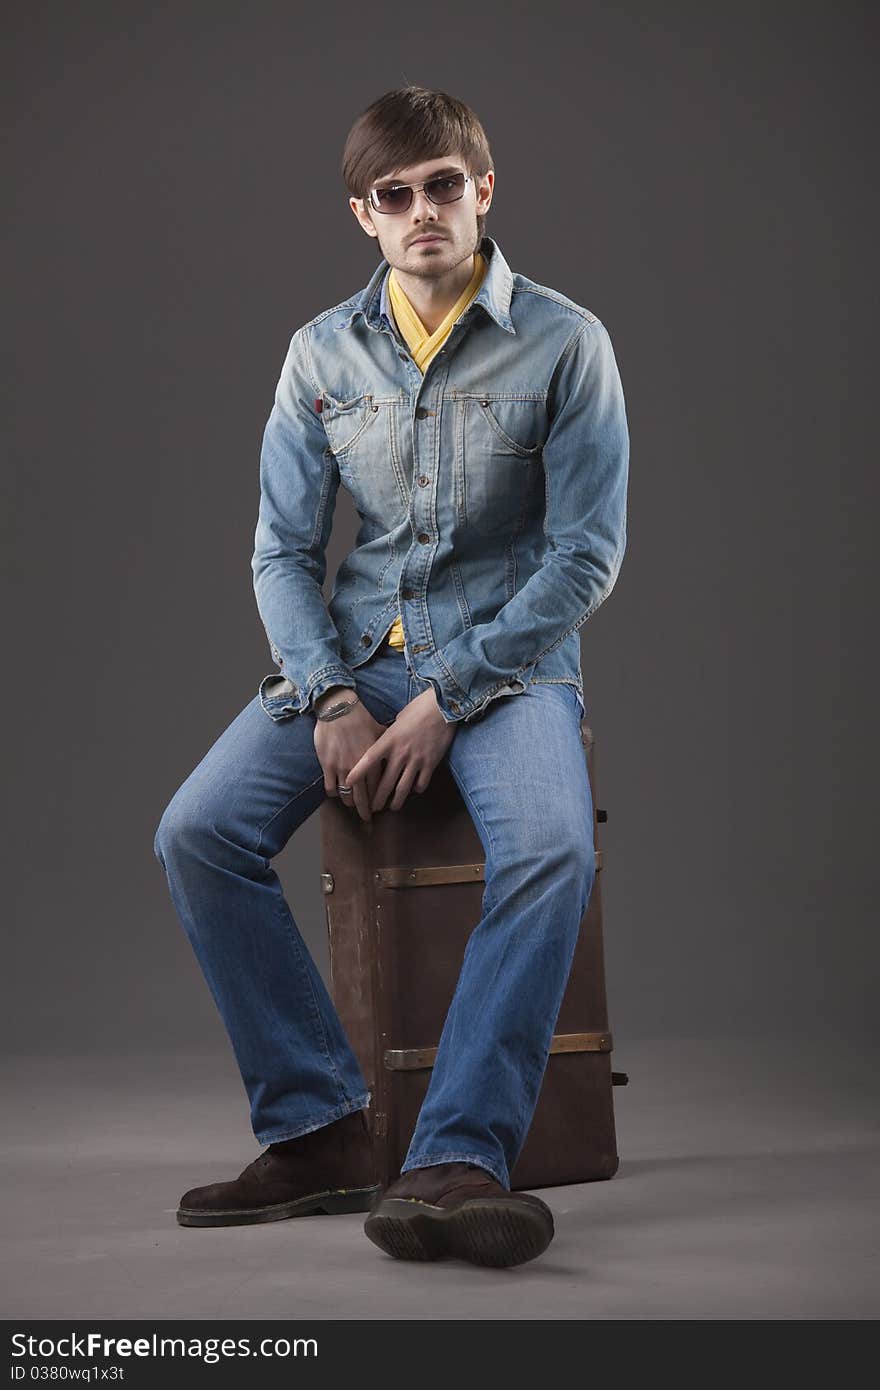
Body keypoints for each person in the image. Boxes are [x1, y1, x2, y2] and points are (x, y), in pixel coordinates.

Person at [152, 85, 629, 1269]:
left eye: (444, 185)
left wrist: (447, 695)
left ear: (484, 189)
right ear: (365, 214)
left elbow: (584, 557)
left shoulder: (567, 341)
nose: (425, 210)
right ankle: (317, 1127)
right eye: (397, 193)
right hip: (356, 658)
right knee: (195, 833)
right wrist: (324, 693)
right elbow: (280, 547)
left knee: (554, 847)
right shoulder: (321, 352)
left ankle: (455, 1155)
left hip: (510, 667)